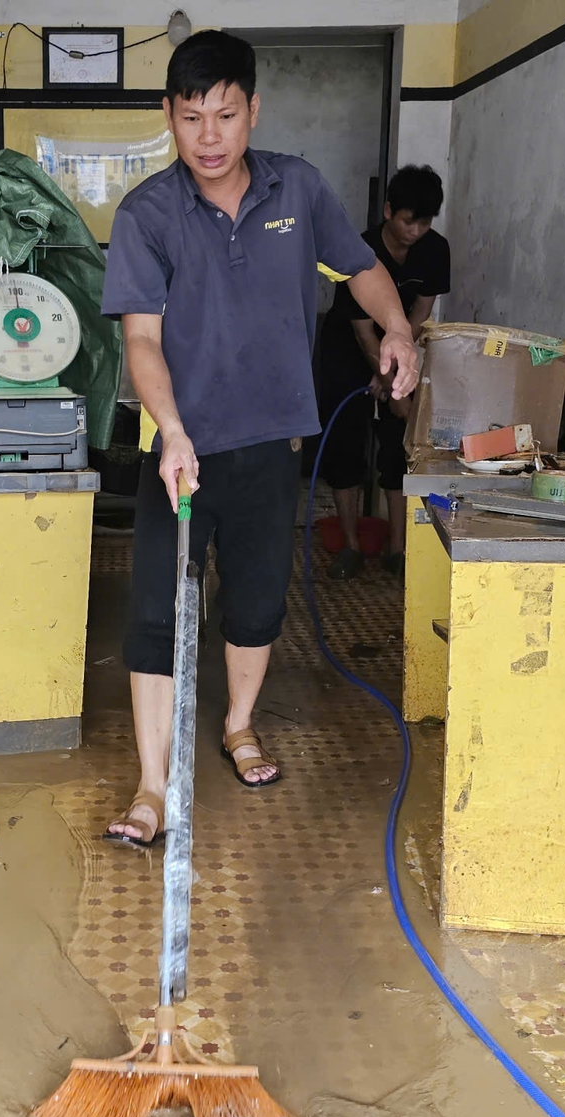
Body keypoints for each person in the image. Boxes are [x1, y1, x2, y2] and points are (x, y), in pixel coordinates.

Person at [99, 30, 420, 845]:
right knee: (155, 616)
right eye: (190, 118)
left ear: (253, 111)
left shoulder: (300, 189)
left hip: (272, 442)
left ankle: (239, 725)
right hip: (179, 452)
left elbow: (359, 266)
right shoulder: (148, 214)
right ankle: (152, 784)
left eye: (225, 115)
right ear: (169, 119)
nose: (208, 138)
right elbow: (141, 340)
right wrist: (171, 430)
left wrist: (398, 330)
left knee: (256, 600)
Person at [315, 165, 450, 578]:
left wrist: (398, 365)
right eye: (409, 221)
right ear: (389, 210)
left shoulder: (435, 250)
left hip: (398, 347)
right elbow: (360, 330)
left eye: (424, 223)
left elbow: (420, 312)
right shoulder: (360, 250)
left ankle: (397, 549)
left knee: (398, 446)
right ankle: (351, 548)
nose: (416, 231)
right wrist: (388, 377)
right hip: (348, 349)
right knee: (345, 448)